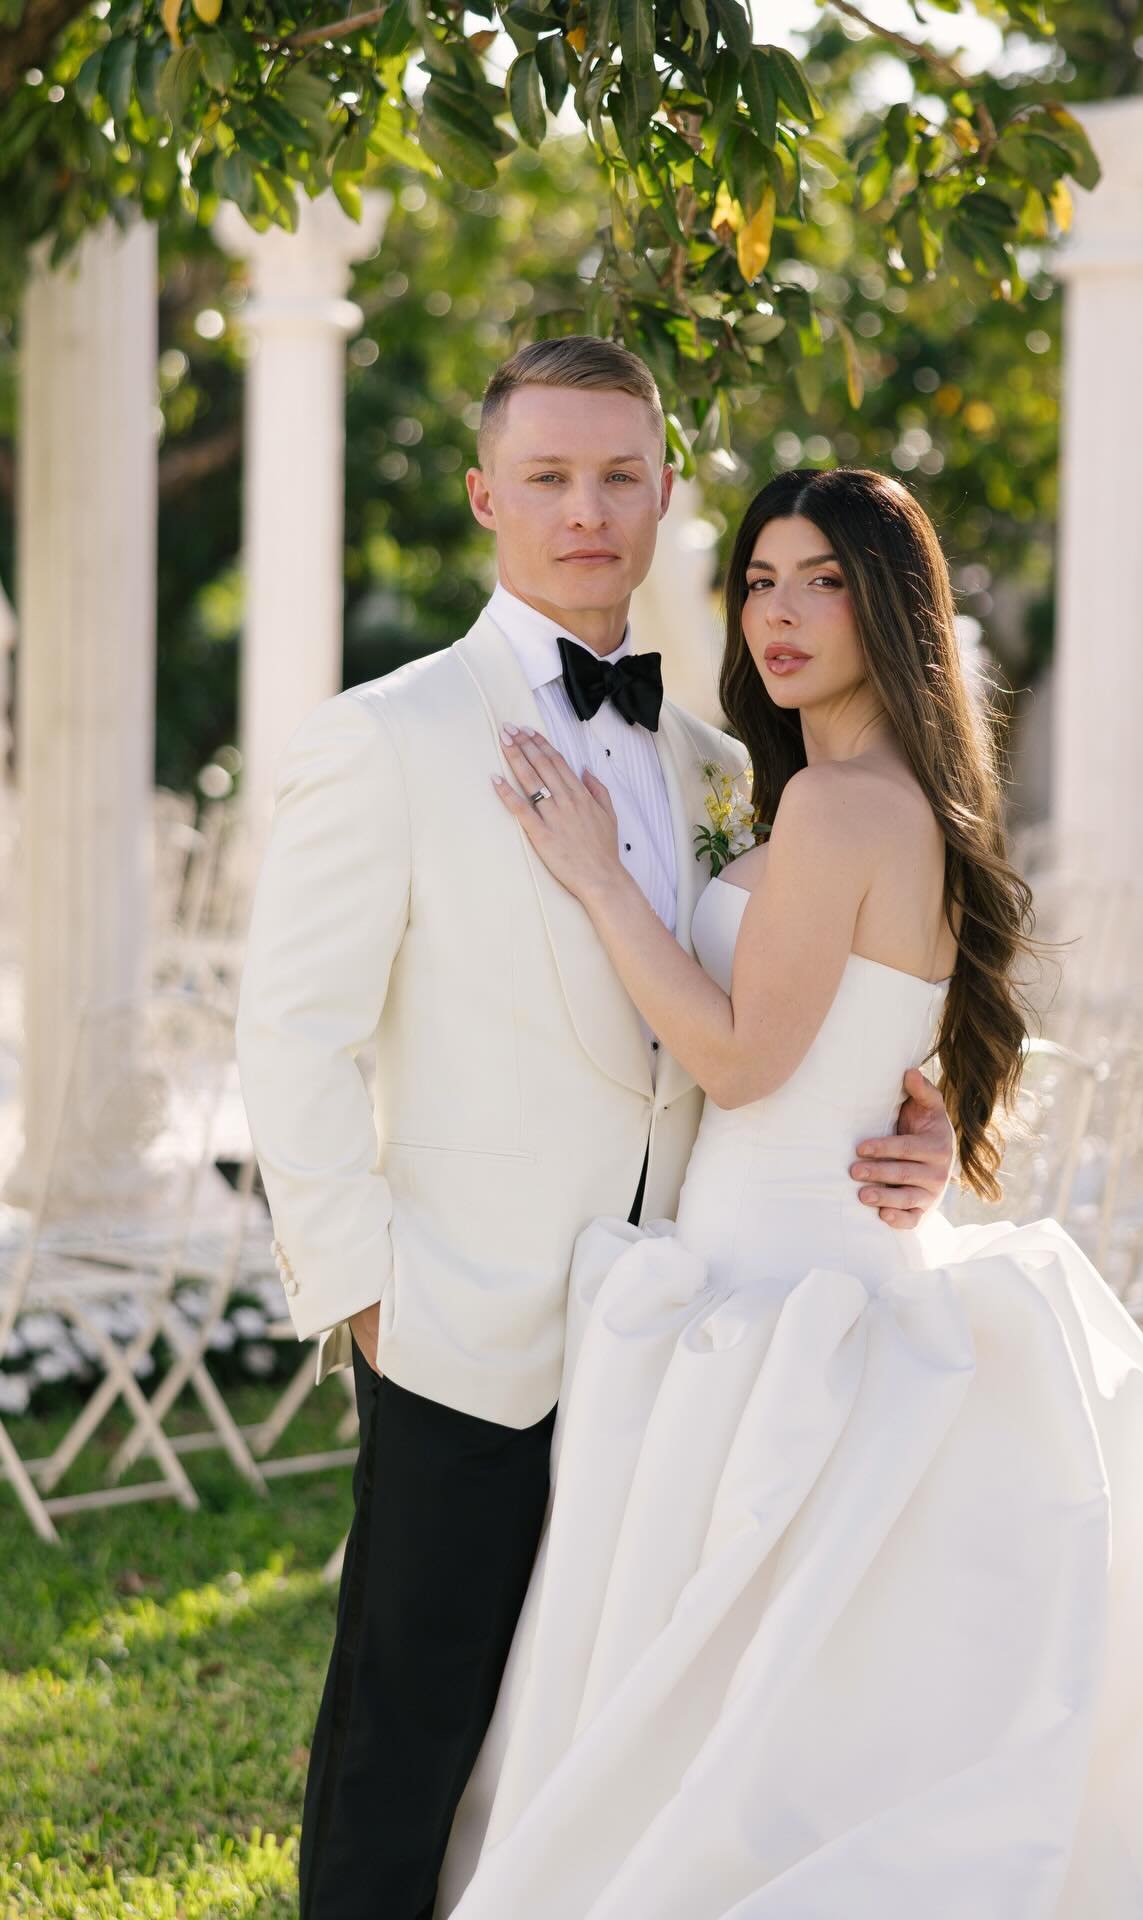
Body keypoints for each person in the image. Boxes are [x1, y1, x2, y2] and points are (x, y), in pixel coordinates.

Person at [437, 465, 1143, 1918]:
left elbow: (733, 1061)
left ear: (890, 606)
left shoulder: (844, 806)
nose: (781, 614)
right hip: (813, 1253)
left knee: (760, 1692)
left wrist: (601, 880)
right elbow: (885, 1034)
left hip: (782, 1293)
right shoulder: (862, 796)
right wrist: (926, 1105)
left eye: (823, 582)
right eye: (763, 581)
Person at [234, 341, 958, 1920]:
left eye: (620, 475)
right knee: (407, 1729)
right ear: (489, 496)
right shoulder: (392, 735)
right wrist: (367, 1292)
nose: (587, 511)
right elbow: (290, 1040)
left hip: (692, 1324)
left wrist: (921, 1106)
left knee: (603, 1734)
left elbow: (813, 987)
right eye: (550, 478)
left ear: (665, 494)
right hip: (463, 1317)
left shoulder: (721, 763)